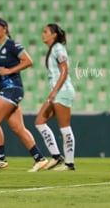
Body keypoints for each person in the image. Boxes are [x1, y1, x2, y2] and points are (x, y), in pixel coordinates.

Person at [0, 17, 48, 172]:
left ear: (5, 29)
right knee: (18, 127)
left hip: (12, 89)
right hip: (6, 89)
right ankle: (40, 158)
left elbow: (28, 61)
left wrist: (9, 71)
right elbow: (3, 68)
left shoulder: (11, 45)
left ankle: (0, 159)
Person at [34, 24, 76, 171]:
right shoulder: (53, 49)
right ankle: (57, 156)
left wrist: (54, 91)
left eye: (45, 32)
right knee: (40, 122)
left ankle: (69, 163)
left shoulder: (58, 48)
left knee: (65, 127)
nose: (43, 34)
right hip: (58, 91)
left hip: (62, 91)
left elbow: (64, 70)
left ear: (54, 35)